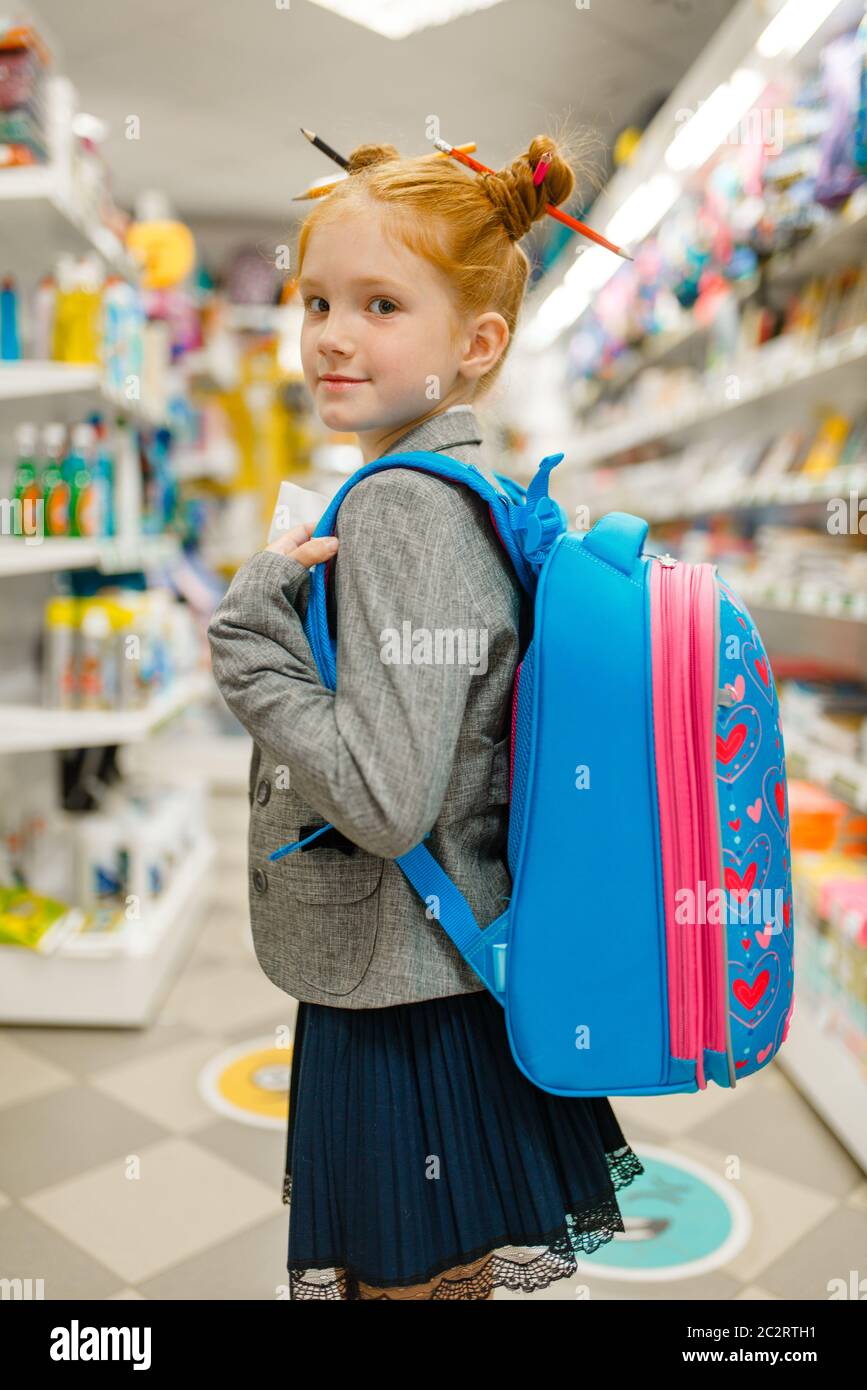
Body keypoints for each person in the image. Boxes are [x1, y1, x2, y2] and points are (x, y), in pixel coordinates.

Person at [207, 135, 644, 1301]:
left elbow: (388, 795)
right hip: (443, 975)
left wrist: (254, 656)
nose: (332, 335)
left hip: (406, 1000)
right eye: (317, 301)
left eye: (381, 303)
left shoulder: (400, 506)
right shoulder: (470, 493)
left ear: (477, 343)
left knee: (407, 1286)